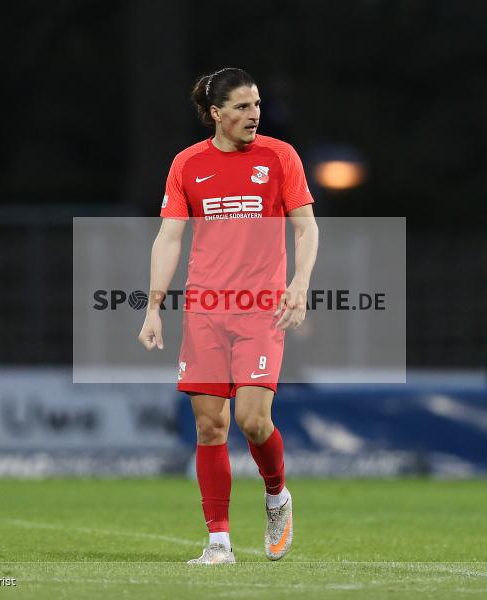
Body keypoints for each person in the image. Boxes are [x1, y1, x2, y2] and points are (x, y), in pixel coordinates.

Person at [138, 68, 318, 565]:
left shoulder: (280, 157)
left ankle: (277, 495)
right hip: (205, 310)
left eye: (256, 104)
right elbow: (169, 237)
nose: (254, 113)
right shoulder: (187, 164)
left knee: (253, 420)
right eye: (242, 106)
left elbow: (306, 228)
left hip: (261, 309)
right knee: (210, 427)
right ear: (216, 114)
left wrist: (300, 283)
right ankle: (218, 542)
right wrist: (153, 307)